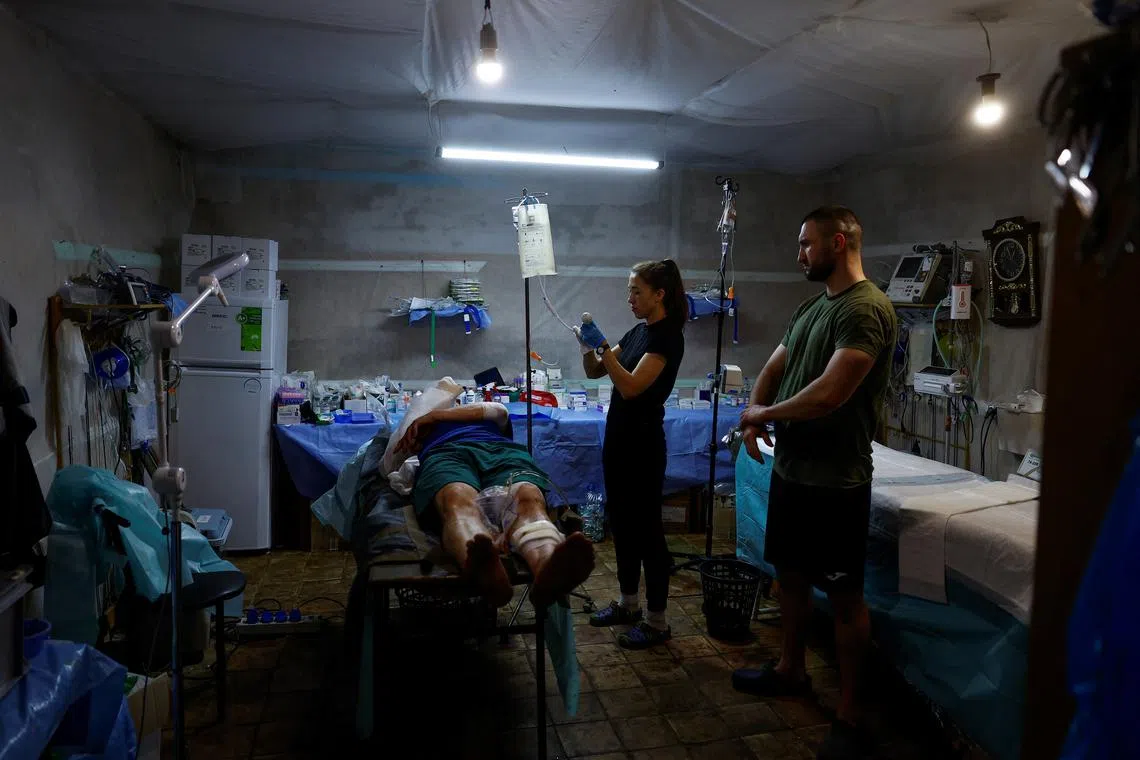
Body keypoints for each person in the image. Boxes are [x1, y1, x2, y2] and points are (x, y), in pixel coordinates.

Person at [731, 206, 897, 760]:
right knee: (792, 579)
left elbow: (832, 392)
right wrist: (755, 409)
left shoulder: (866, 309)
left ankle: (850, 714)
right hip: (793, 473)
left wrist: (766, 416)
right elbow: (776, 366)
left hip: (836, 481)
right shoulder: (810, 308)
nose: (799, 253)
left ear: (840, 241)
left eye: (806, 244)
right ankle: (790, 669)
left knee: (846, 598)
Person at [574, 259, 687, 649]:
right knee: (622, 525)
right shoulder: (639, 332)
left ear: (660, 294)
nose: (630, 299)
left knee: (648, 533)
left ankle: (657, 621)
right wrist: (588, 348)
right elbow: (595, 372)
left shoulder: (666, 337)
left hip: (642, 447)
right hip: (619, 441)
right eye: (629, 291)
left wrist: (604, 348)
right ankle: (628, 603)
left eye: (636, 291)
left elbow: (632, 387)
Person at [395, 400, 596, 608]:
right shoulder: (412, 423)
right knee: (458, 501)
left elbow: (499, 410)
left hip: (501, 451)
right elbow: (390, 462)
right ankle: (484, 571)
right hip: (446, 454)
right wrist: (411, 442)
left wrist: (435, 415)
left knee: (528, 499)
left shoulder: (465, 414)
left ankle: (547, 570)